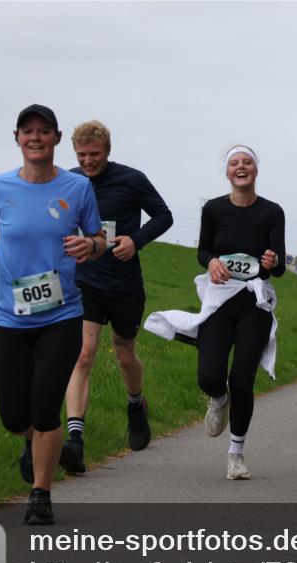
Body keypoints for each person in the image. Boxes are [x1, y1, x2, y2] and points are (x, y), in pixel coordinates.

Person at [0, 104, 105, 524]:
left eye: (44, 131)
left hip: (61, 315)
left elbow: (98, 238)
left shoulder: (77, 188)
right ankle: (49, 447)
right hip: (10, 316)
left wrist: (90, 246)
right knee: (13, 415)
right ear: (17, 138)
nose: (35, 138)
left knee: (44, 407)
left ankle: (40, 495)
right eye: (28, 131)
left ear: (57, 138)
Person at [144, 145, 284, 480]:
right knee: (209, 376)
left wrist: (273, 261)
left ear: (256, 171)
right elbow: (202, 251)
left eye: (247, 162)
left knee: (242, 379)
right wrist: (211, 262)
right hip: (219, 299)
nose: (241, 167)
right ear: (227, 172)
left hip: (254, 303)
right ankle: (219, 399)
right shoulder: (214, 209)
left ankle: (236, 453)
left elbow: (278, 266)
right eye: (235, 163)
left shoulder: (272, 212)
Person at [60, 120, 173, 472]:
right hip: (85, 283)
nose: (88, 161)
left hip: (124, 286)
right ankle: (75, 440)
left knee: (124, 356)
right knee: (83, 355)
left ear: (108, 151)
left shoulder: (131, 179)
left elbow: (164, 216)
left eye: (94, 154)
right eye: (82, 155)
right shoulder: (69, 181)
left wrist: (135, 241)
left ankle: (136, 404)